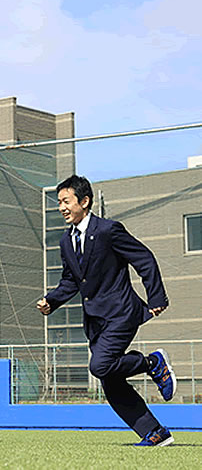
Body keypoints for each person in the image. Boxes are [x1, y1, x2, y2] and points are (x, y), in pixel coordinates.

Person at [37, 175, 176, 447]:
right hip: (95, 321)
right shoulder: (66, 241)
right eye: (59, 203)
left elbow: (144, 258)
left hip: (121, 312)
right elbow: (71, 280)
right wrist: (51, 301)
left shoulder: (108, 230)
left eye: (66, 201)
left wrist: (156, 297)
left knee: (100, 365)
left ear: (84, 201)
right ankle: (155, 433)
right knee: (110, 379)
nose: (61, 207)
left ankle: (152, 363)